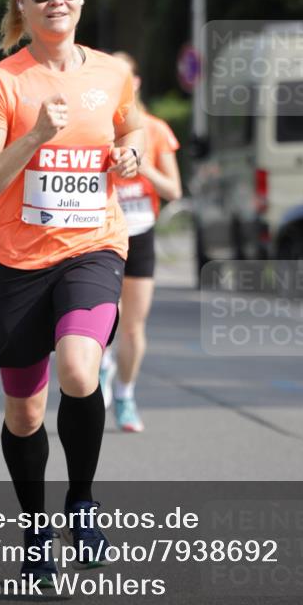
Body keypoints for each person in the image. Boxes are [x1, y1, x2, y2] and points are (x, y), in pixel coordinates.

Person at [0, 0, 144, 584]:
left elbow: (131, 131)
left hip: (93, 247)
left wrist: (129, 157)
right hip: (17, 263)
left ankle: (83, 499)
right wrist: (34, 137)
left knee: (78, 366)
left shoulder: (112, 73)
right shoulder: (1, 82)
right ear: (22, 3)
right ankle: (35, 525)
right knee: (25, 414)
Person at [100, 52, 182, 432]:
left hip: (140, 232)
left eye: (125, 77)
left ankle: (125, 394)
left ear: (136, 83)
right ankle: (99, 369)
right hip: (99, 235)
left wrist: (140, 163)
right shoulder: (93, 126)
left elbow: (174, 190)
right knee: (103, 322)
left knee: (133, 327)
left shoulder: (154, 129)